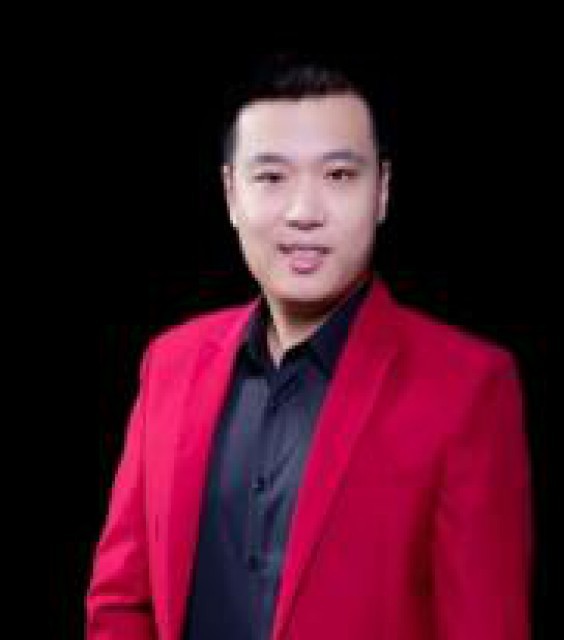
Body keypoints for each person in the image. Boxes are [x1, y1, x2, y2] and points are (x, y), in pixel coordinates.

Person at [86, 53, 534, 640]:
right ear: (230, 194)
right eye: (272, 177)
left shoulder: (468, 386)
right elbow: (121, 602)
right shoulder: (169, 362)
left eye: (339, 176)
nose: (304, 213)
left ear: (382, 191)